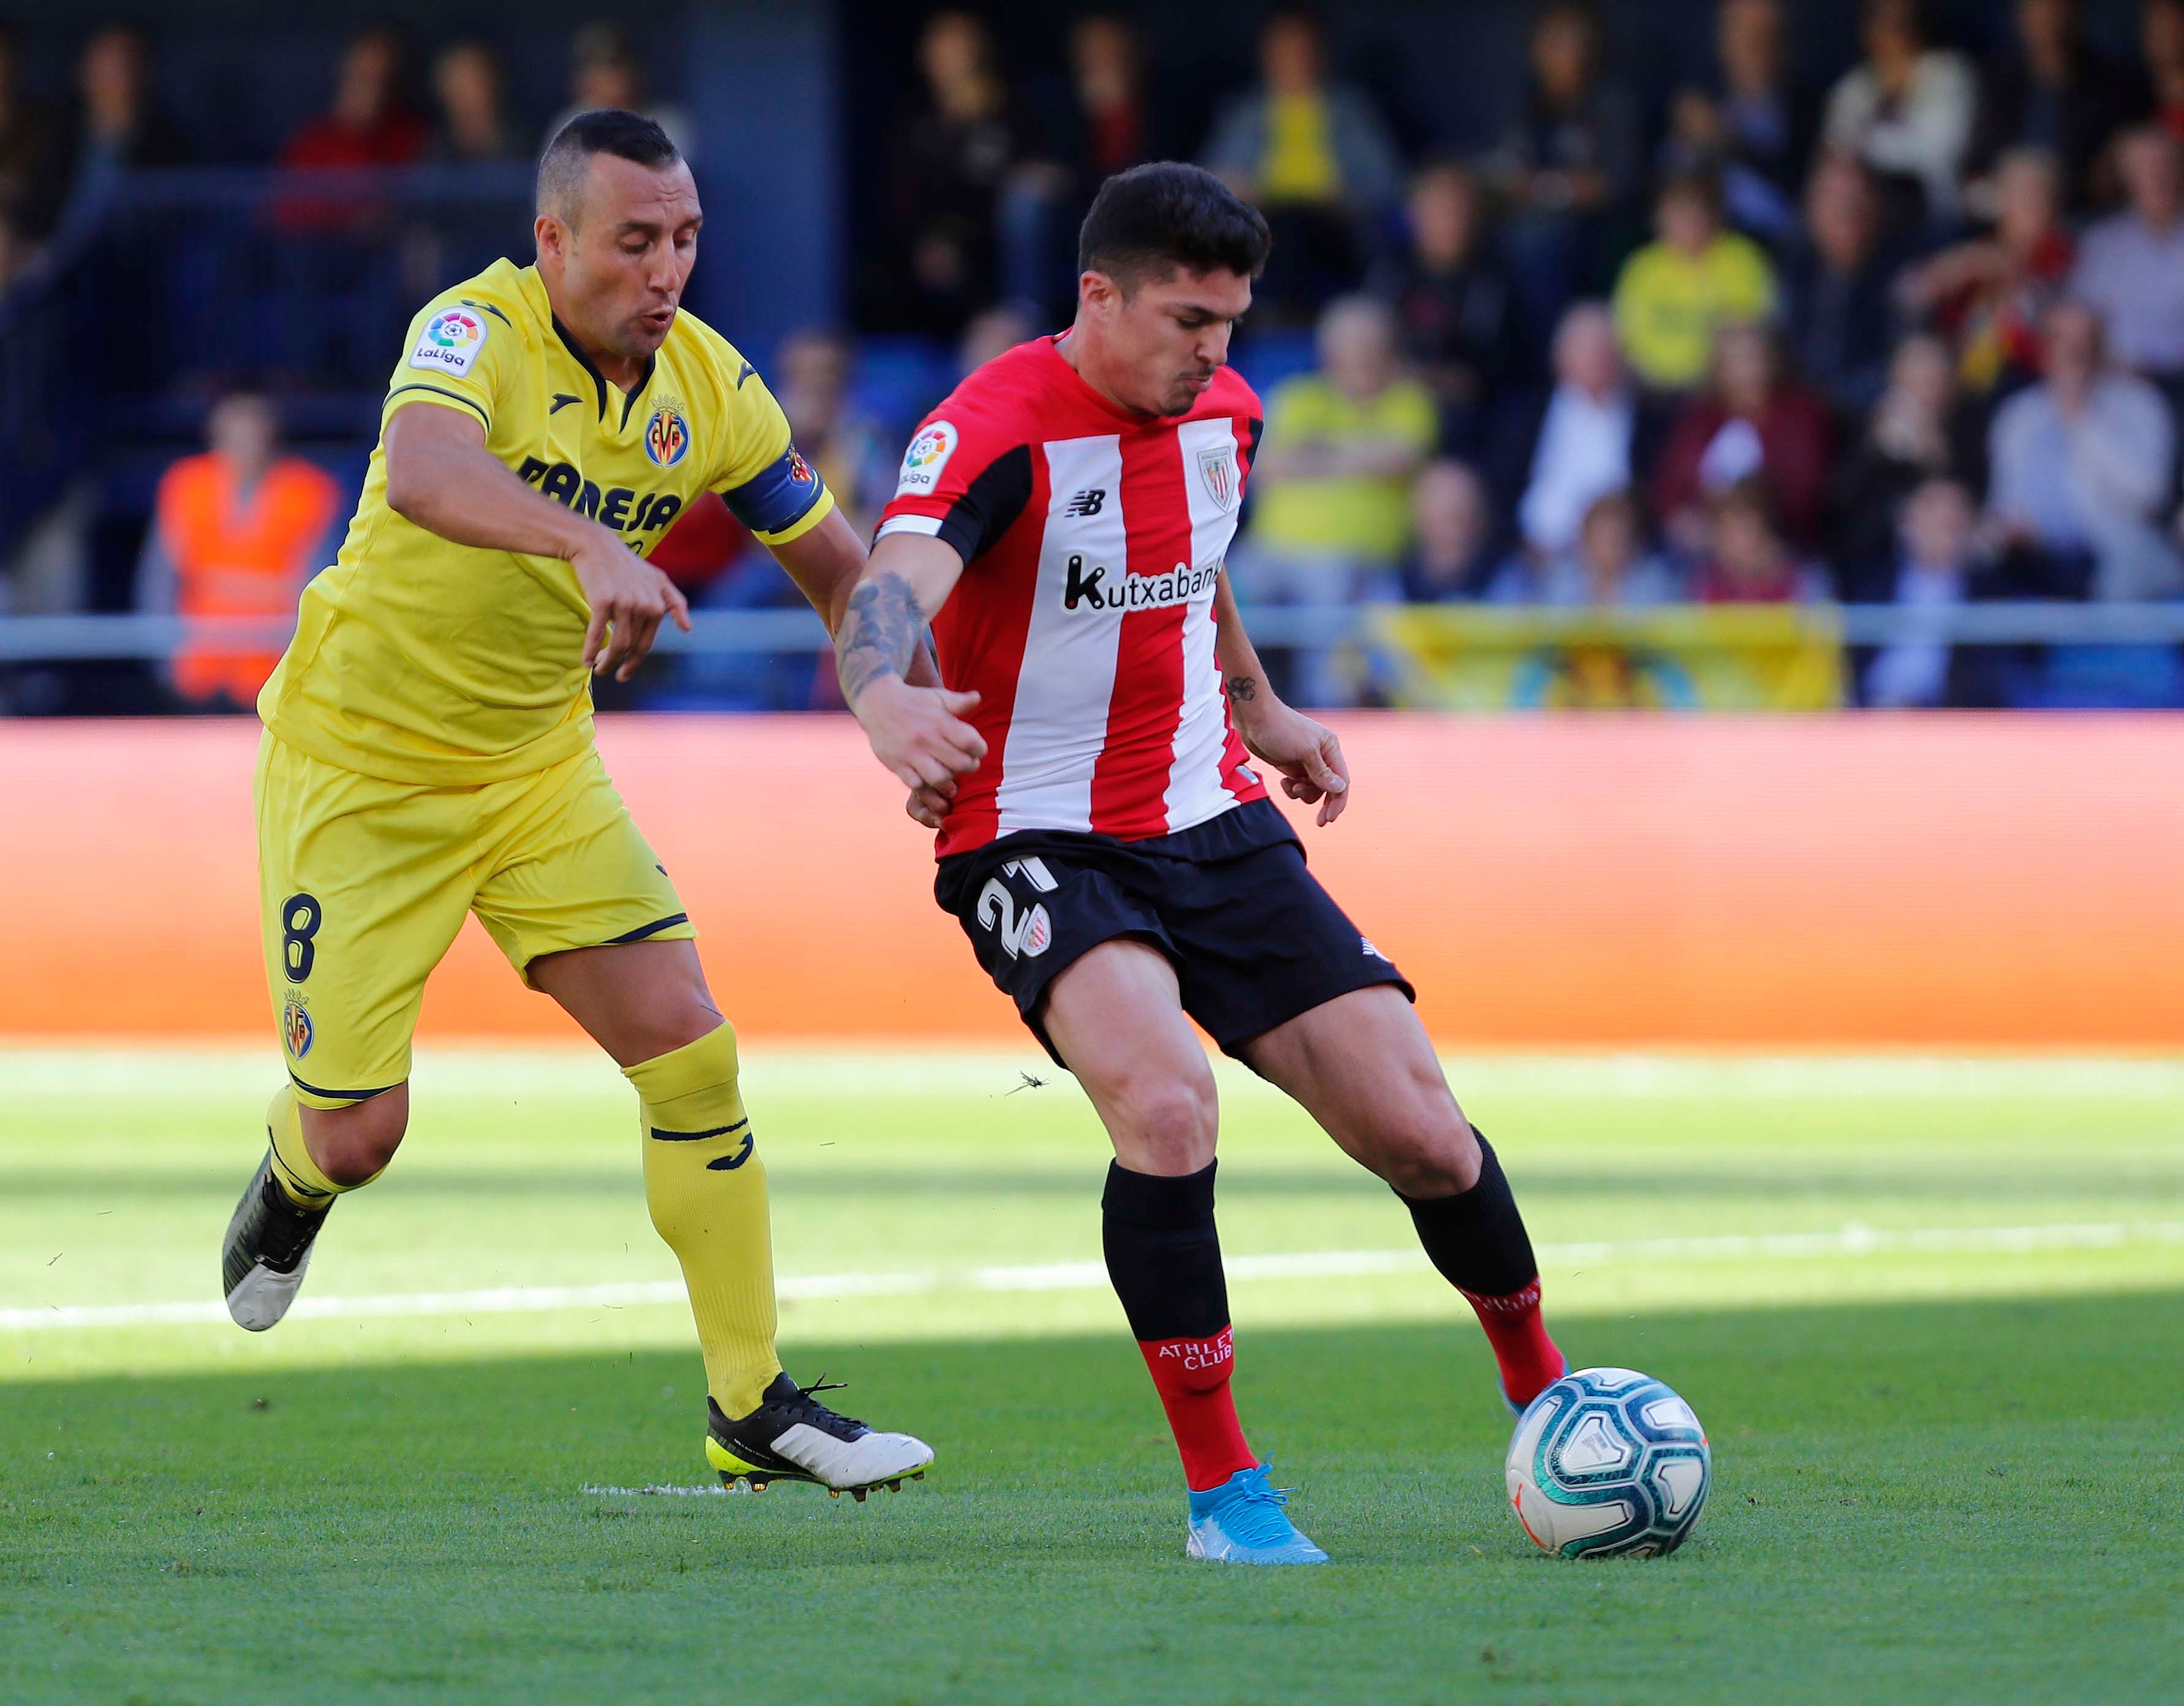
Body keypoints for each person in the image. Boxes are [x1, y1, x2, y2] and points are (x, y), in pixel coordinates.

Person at [831, 161, 1569, 1566]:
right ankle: (1227, 1494)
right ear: (1095, 295)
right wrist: (883, 700)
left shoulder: (1223, 409)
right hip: (1036, 826)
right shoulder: (987, 431)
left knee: (1421, 1127)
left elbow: (1195, 552)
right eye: (1185, 318)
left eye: (1231, 319)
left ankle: (1546, 1396)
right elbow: (888, 585)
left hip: (1209, 810)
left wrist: (1260, 703)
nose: (1213, 349)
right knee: (1166, 1106)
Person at [222, 112, 935, 1499]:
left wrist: (884, 693)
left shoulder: (716, 390)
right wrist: (591, 538)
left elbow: (846, 574)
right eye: (631, 242)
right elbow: (426, 472)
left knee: (692, 1053)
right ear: (551, 244)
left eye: (682, 240)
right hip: (360, 771)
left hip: (537, 768)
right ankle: (297, 1172)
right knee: (364, 1131)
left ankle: (749, 1404)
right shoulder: (470, 331)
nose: (663, 269)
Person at [1240, 294, 1438, 704]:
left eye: (1369, 347)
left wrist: (1313, 454)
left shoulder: (1408, 399)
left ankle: (1324, 715)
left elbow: (1397, 458)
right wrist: (1356, 456)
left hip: (1357, 559)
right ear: (1328, 351)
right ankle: (1221, 709)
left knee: (1327, 586)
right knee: (1215, 586)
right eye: (1348, 347)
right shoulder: (1299, 396)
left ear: (1388, 350)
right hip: (1270, 552)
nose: (1359, 358)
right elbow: (1266, 467)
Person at [137, 392, 341, 711]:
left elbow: (318, 579)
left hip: (274, 661)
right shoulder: (186, 483)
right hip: (197, 661)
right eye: (232, 436)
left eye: (252, 435)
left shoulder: (308, 489)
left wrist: (303, 657)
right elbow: (160, 577)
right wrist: (163, 652)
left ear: (271, 438)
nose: (242, 446)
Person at [1199, 12, 1403, 319]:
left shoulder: (1352, 111)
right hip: (1264, 228)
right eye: (1283, 52)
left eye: (1302, 51)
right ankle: (1272, 315)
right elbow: (1207, 184)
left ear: (1320, 55)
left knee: (1300, 226)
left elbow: (1386, 184)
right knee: (1282, 229)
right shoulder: (1244, 113)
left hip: (1336, 227)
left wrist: (1343, 196)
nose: (1293, 62)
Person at [1986, 298, 2181, 600]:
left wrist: (2081, 418)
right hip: (2035, 566)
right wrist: (2008, 530)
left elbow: (2148, 495)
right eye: (2059, 340)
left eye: (2082, 341)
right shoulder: (2018, 416)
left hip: (2116, 567)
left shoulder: (2141, 405)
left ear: (2100, 346)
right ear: (2042, 348)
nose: (2071, 352)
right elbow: (2003, 502)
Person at [1483, 0, 1645, 321]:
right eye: (1557, 41)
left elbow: (1614, 185)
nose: (1569, 52)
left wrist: (1543, 187)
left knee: (1535, 244)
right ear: (1537, 49)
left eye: (1578, 40)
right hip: (1529, 227)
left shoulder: (1613, 102)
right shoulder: (1524, 101)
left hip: (1601, 232)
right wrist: (1556, 186)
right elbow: (1505, 175)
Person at [1368, 159, 1525, 454]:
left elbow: (1478, 377)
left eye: (1456, 208)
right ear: (1413, 214)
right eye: (1436, 208)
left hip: (1466, 419)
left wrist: (1417, 377)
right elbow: (1363, 343)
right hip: (1383, 403)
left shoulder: (1494, 278)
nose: (1448, 219)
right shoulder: (1390, 272)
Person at [1899, 145, 2073, 393]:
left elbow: (2046, 335)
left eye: (2039, 192)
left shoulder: (2063, 258)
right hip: (1954, 380)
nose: (2030, 203)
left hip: (2026, 385)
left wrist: (2015, 278)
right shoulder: (1978, 249)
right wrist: (1955, 268)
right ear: (2002, 198)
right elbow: (1909, 294)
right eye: (2019, 192)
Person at [1652, 320, 1832, 553]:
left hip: (1782, 549)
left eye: (1752, 358)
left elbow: (1806, 495)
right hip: (1707, 550)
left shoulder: (1801, 414)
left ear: (1772, 360)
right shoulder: (1701, 418)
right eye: (1734, 361)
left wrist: (1749, 526)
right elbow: (1669, 489)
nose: (1745, 370)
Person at [1506, 300, 1658, 558]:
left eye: (1604, 350)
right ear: (1561, 356)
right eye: (1586, 350)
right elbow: (1505, 488)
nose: (1597, 360)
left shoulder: (1647, 417)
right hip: (1537, 555)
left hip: (1623, 560)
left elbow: (1653, 494)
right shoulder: (1527, 415)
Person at [1827, 330, 1986, 575]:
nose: (1929, 391)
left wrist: (1936, 455)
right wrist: (1876, 449)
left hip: (1958, 563)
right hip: (1880, 566)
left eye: (1936, 379)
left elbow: (1976, 501)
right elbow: (1844, 508)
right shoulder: (1869, 431)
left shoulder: (1970, 430)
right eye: (1919, 380)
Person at [1658, 0, 1816, 245]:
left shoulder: (1806, 110)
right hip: (1698, 252)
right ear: (1724, 37)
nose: (1755, 47)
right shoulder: (1697, 102)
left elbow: (1800, 201)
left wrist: (1730, 142)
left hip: (1775, 249)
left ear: (1785, 43)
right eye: (1744, 32)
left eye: (1767, 34)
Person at [1845, 476, 2011, 707]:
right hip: (1867, 713)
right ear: (1906, 520)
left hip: (1944, 722)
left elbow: (1987, 684)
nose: (1946, 520)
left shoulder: (1989, 593)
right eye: (1933, 510)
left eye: (1955, 514)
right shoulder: (1871, 581)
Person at [1962, 0, 2145, 211]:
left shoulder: (2113, 85)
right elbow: (1976, 168)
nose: (2048, 20)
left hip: (2084, 215)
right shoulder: (1997, 82)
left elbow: (2115, 165)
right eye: (2037, 9)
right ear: (2021, 17)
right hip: (2008, 216)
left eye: (2056, 9)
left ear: (2075, 14)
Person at [1611, 171, 1776, 393]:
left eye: (1693, 210)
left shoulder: (1743, 260)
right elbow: (1625, 340)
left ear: (1713, 214)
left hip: (1723, 393)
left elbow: (1757, 337)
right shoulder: (1643, 267)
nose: (1686, 221)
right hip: (1652, 392)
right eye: (1676, 212)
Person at [1820, 0, 1976, 227]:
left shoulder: (1948, 75)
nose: (1892, 37)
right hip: (1864, 221)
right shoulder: (1852, 90)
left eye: (1900, 25)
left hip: (1932, 216)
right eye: (1882, 25)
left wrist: (1868, 144)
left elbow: (1937, 153)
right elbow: (1840, 155)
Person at [1777, 152, 1901, 419]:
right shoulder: (1784, 269)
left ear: (1877, 206)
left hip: (1867, 420)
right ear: (1811, 207)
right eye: (1833, 199)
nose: (1846, 211)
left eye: (1857, 198)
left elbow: (1896, 369)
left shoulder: (1901, 274)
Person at [2069, 126, 2184, 384]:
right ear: (2127, 179)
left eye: (2166, 165)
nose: (2157, 176)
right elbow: (2082, 325)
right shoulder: (2102, 244)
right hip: (2119, 381)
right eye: (2144, 169)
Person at [1494, 487, 1679, 607]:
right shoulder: (1559, 580)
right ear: (1584, 541)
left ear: (1632, 542)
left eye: (1616, 540)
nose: (1608, 549)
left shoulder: (1655, 582)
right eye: (1601, 538)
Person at [543, 23, 694, 161]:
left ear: (634, 73)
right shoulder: (567, 127)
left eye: (612, 70)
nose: (605, 82)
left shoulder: (667, 125)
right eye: (595, 71)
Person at [1691, 477, 1819, 601]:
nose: (1741, 535)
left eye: (1746, 521)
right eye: (1730, 526)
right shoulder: (1702, 582)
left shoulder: (1803, 579)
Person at [1397, 458, 1500, 601]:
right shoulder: (1384, 587)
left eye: (1462, 517)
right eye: (1445, 517)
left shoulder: (1516, 585)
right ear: (1417, 516)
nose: (1454, 532)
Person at [428, 40, 522, 164]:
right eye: (458, 87)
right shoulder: (433, 159)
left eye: (474, 83)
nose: (467, 97)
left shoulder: (523, 151)